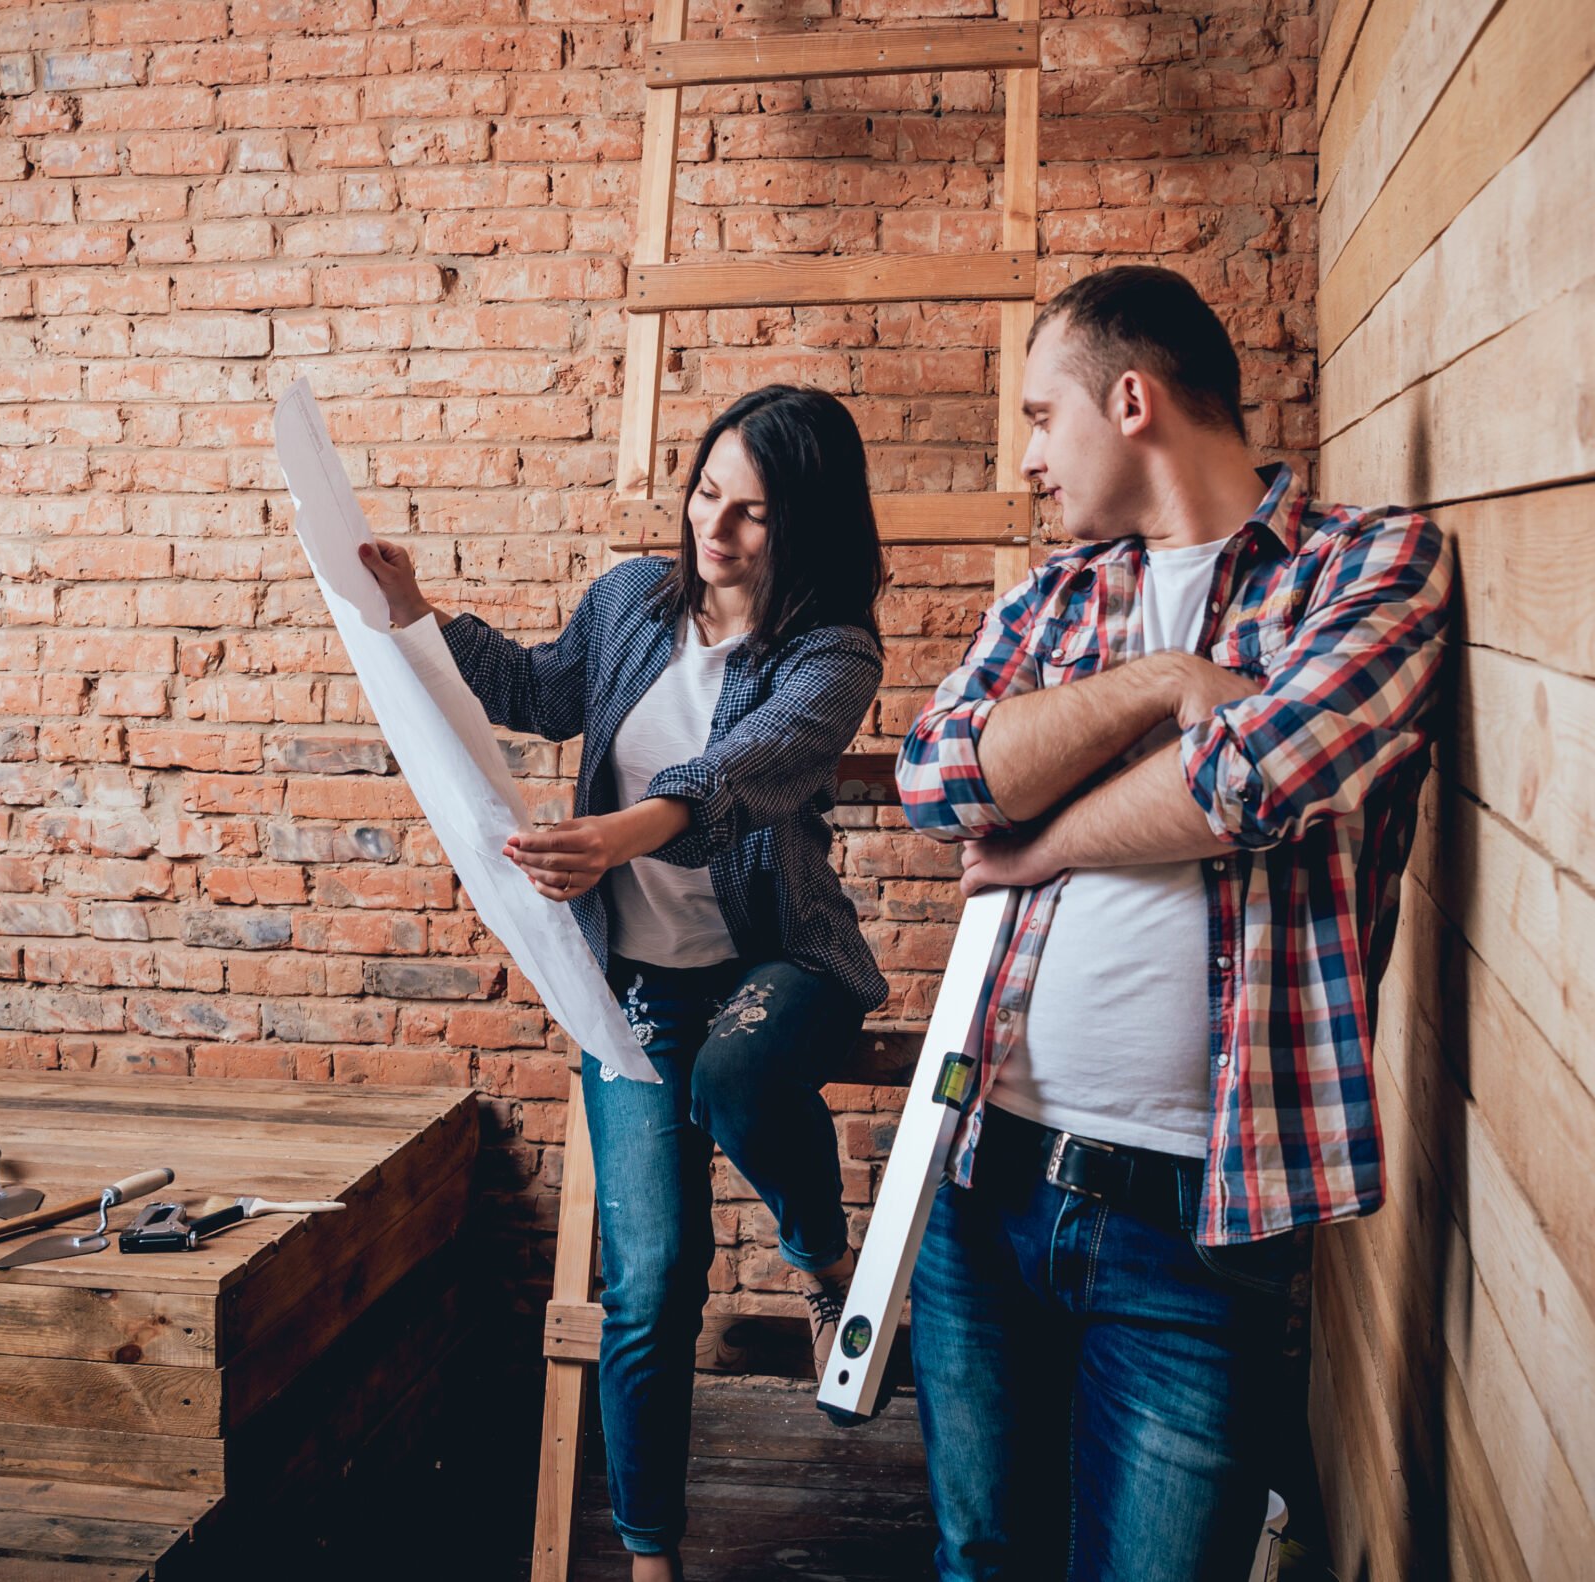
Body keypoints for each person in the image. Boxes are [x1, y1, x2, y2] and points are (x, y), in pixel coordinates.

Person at [895, 266, 1450, 1580]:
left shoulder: (1369, 566)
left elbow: (1256, 777)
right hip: (988, 1186)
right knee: (983, 1560)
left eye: (1043, 416)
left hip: (1202, 1233)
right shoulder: (1060, 601)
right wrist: (1154, 682)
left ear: (1129, 399)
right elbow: (935, 772)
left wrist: (1041, 838)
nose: (1030, 457)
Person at [359, 385, 888, 1582]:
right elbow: (542, 692)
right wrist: (416, 615)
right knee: (646, 1283)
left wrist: (617, 834)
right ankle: (651, 1556)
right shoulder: (627, 603)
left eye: (754, 512)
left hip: (775, 958)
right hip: (637, 979)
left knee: (739, 1070)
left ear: (802, 524)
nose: (719, 528)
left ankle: (821, 1260)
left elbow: (741, 773)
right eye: (708, 493)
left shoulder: (831, 650)